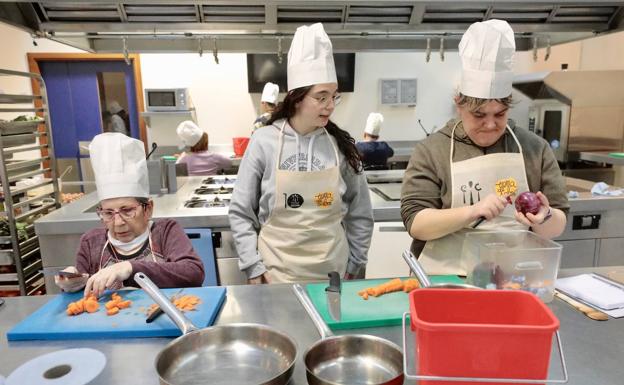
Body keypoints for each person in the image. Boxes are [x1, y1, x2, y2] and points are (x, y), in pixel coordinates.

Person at [400, 19, 569, 275]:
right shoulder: (432, 150)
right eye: (479, 115)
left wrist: (544, 217)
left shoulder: (534, 148)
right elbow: (416, 223)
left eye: (500, 114)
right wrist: (472, 211)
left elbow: (558, 222)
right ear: (459, 104)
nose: (490, 125)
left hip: (514, 279)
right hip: (445, 282)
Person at [229, 23, 373, 284]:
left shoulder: (340, 146)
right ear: (297, 98)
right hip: (275, 275)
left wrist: (357, 262)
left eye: (334, 97)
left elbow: (361, 212)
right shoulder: (264, 141)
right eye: (321, 97)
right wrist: (253, 266)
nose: (330, 105)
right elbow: (241, 212)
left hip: (333, 274)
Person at [55, 133, 205, 297]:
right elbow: (84, 292)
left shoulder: (165, 232)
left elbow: (193, 274)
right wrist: (73, 282)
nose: (118, 222)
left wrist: (130, 268)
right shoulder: (91, 243)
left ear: (148, 208)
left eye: (127, 211)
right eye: (108, 213)